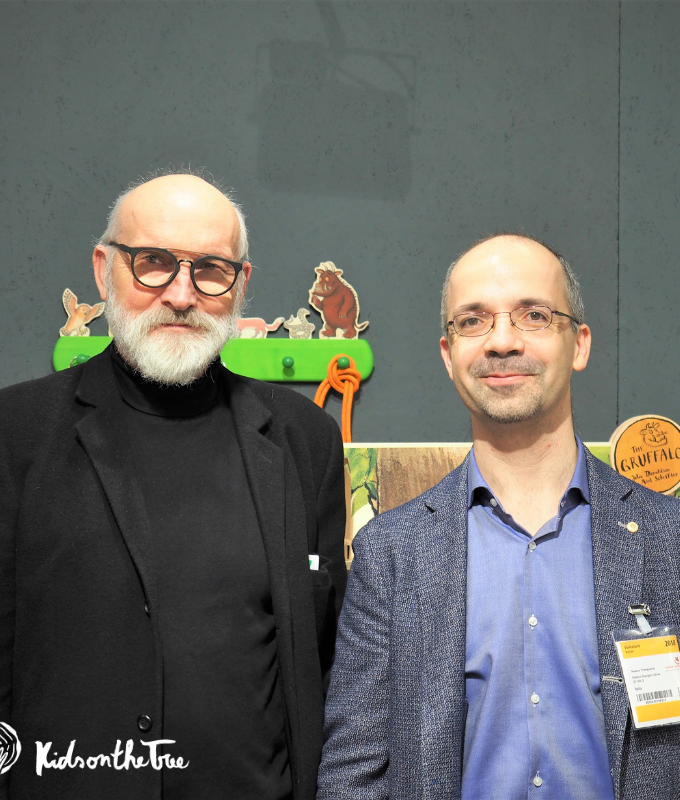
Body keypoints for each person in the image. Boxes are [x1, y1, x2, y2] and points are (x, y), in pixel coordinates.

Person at [0, 173, 347, 799]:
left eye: (211, 270)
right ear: (104, 269)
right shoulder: (14, 433)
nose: (182, 295)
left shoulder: (305, 440)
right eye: (154, 263)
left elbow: (325, 661)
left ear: (240, 284)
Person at [317, 234, 680, 800]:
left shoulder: (668, 538)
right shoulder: (391, 553)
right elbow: (352, 775)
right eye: (473, 320)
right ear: (448, 355)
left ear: (579, 344)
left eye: (534, 315)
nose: (503, 341)